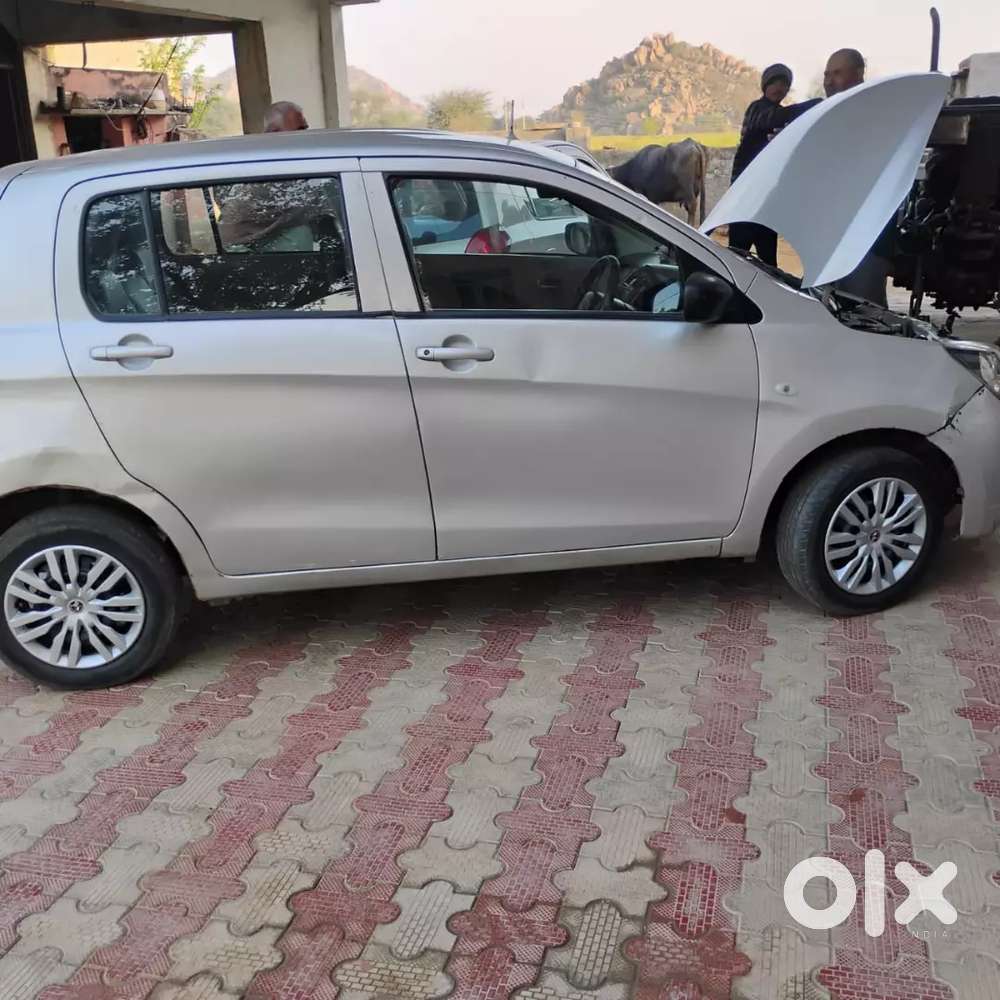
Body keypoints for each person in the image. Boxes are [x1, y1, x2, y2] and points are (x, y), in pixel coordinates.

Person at [729, 64, 818, 266]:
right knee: (736, 256)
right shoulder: (756, 109)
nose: (780, 88)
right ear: (765, 86)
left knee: (769, 263)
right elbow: (772, 118)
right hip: (745, 198)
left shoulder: (783, 115)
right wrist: (815, 104)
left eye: (785, 85)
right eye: (775, 83)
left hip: (767, 200)